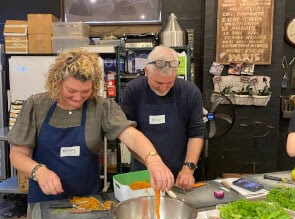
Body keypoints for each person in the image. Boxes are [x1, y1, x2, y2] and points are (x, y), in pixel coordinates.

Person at [7, 48, 174, 203]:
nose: (78, 98)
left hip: (88, 202)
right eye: (71, 91)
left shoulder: (101, 107)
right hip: (44, 202)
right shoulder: (36, 105)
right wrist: (38, 171)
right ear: (56, 83)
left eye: (85, 91)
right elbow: (17, 155)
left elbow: (130, 134)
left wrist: (153, 159)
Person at [121, 45, 205, 190]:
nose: (163, 88)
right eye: (158, 83)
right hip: (143, 174)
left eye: (169, 83)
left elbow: (196, 134)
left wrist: (188, 168)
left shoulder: (190, 92)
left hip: (180, 175)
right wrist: (152, 164)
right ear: (146, 71)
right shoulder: (133, 90)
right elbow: (129, 134)